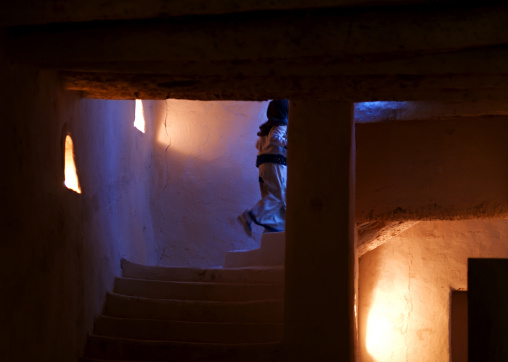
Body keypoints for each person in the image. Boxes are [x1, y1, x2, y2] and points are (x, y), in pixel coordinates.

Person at [238, 99, 289, 236]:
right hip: (274, 164)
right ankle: (251, 215)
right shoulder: (281, 125)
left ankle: (273, 228)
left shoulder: (267, 129)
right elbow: (275, 139)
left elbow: (259, 145)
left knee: (271, 196)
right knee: (278, 196)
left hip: (263, 165)